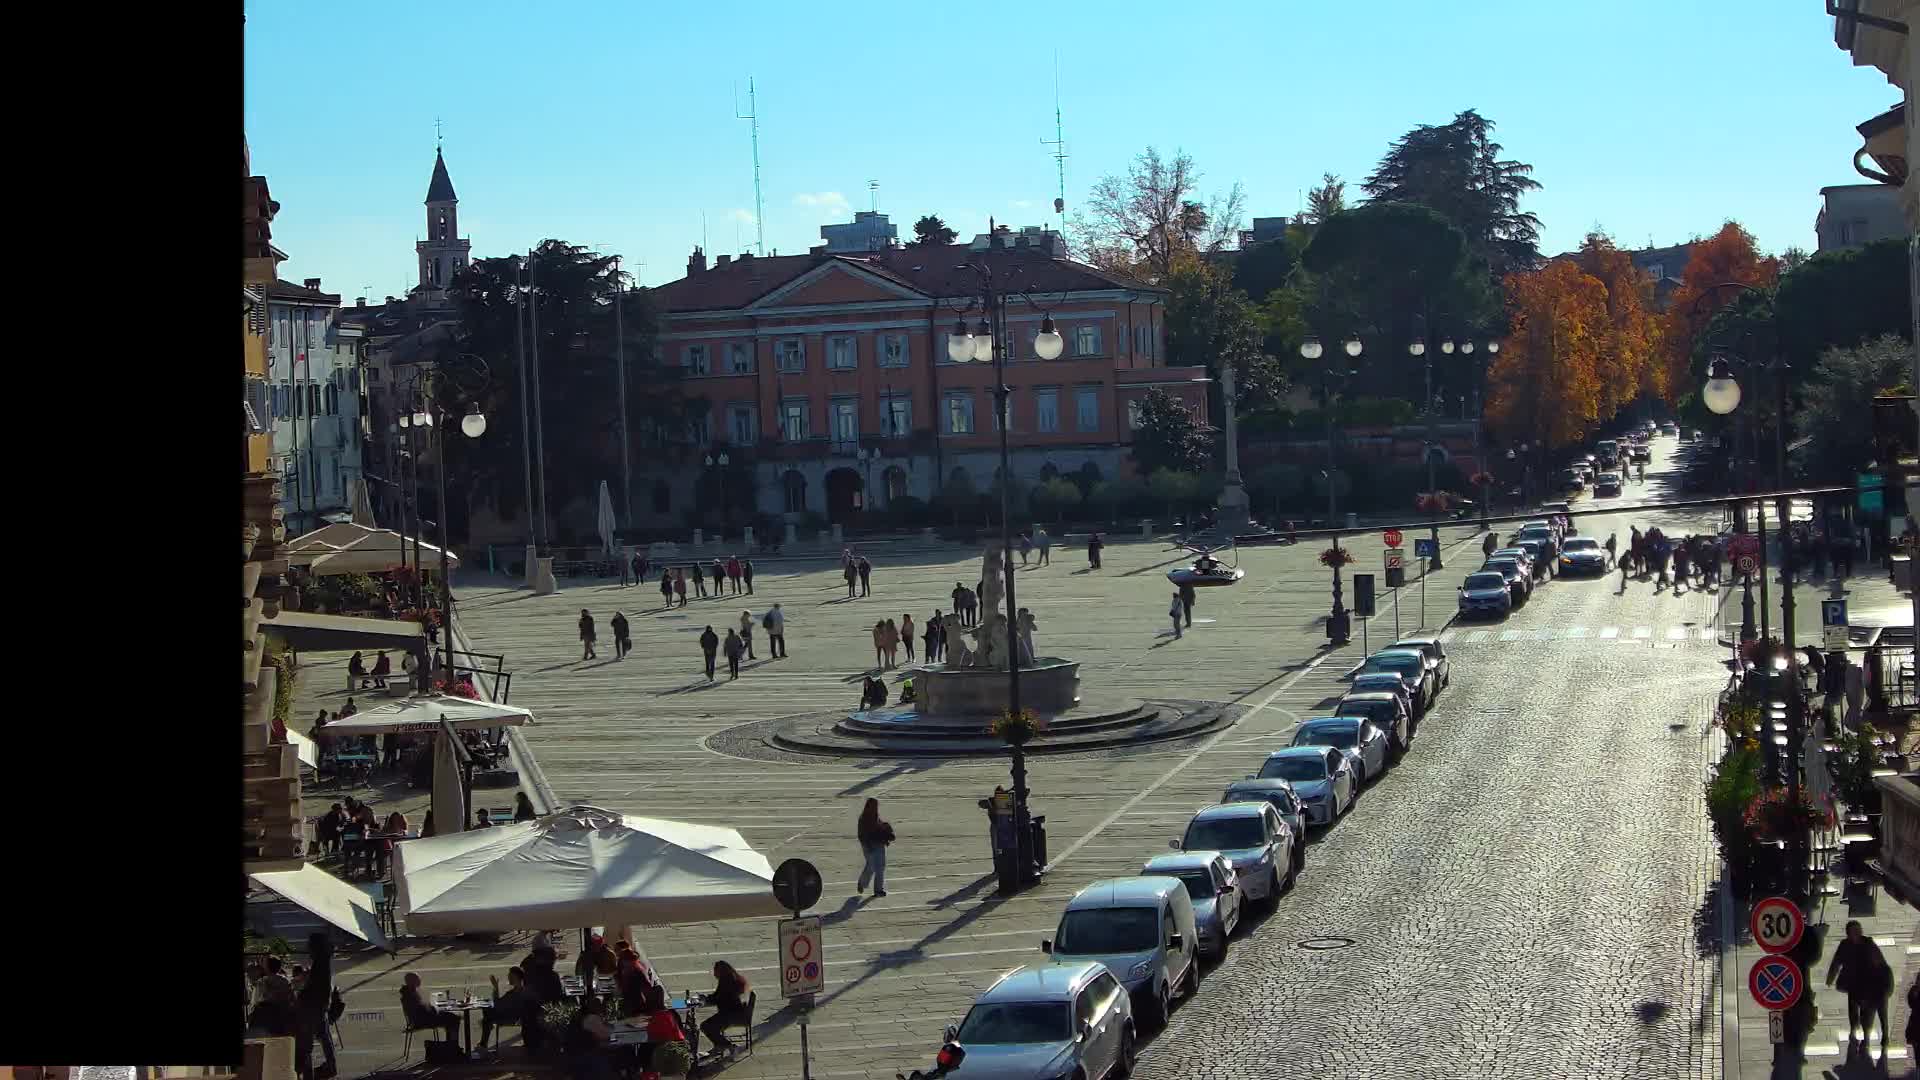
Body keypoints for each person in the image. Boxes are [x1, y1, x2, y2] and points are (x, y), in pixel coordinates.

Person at [1827, 919, 1888, 1050]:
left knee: (1870, 1012)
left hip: (1869, 983)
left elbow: (1879, 962)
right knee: (1853, 1010)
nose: (1857, 933)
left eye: (1858, 930)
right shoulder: (1844, 945)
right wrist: (1830, 978)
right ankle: (1854, 1030)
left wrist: (1883, 979)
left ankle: (1871, 1037)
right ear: (1848, 934)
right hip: (1853, 984)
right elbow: (1836, 962)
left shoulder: (1868, 943)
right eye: (1854, 931)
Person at [294, 933, 337, 1080]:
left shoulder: (320, 963)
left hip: (312, 1006)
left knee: (306, 1043)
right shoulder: (323, 961)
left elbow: (313, 986)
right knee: (324, 1037)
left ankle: (309, 1073)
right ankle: (330, 1067)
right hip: (320, 1005)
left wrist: (302, 992)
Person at [699, 962, 753, 1057]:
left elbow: (718, 998)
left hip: (732, 1015)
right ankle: (720, 1045)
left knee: (706, 1026)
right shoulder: (729, 979)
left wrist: (704, 1000)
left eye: (715, 971)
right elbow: (718, 996)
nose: (714, 973)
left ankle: (726, 1045)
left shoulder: (727, 982)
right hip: (733, 1012)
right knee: (709, 1025)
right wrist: (707, 998)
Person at [400, 971, 462, 1044]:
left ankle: (450, 1044)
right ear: (411, 981)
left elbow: (422, 1008)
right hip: (422, 1021)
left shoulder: (408, 992)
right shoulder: (410, 995)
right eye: (417, 979)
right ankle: (452, 1045)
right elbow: (422, 1010)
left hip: (421, 1019)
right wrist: (434, 1009)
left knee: (449, 1016)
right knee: (454, 1018)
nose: (420, 980)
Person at [479, 966, 531, 1051]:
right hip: (511, 1015)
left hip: (510, 1017)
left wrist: (496, 988)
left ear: (516, 977)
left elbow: (498, 1004)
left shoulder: (516, 993)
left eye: (510, 976)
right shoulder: (518, 991)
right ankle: (483, 1042)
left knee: (487, 1015)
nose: (508, 977)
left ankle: (483, 1044)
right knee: (487, 1015)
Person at [856, 797, 894, 897]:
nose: (875, 808)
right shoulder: (863, 818)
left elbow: (881, 826)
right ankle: (862, 883)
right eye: (874, 805)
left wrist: (887, 832)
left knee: (880, 867)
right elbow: (861, 835)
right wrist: (867, 845)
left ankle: (878, 890)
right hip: (869, 845)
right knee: (871, 866)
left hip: (879, 844)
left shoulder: (876, 816)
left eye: (876, 806)